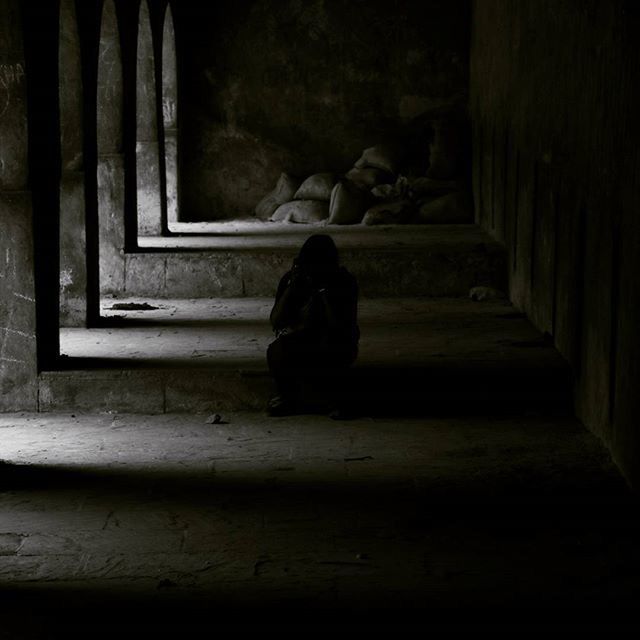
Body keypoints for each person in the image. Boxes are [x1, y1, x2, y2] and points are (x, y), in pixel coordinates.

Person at [266, 234, 359, 417]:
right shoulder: (293, 280)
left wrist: (324, 293)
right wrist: (292, 287)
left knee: (332, 346)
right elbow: (275, 321)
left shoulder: (344, 281)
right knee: (276, 350)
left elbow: (341, 326)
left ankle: (336, 400)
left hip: (336, 340)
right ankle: (286, 396)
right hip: (302, 338)